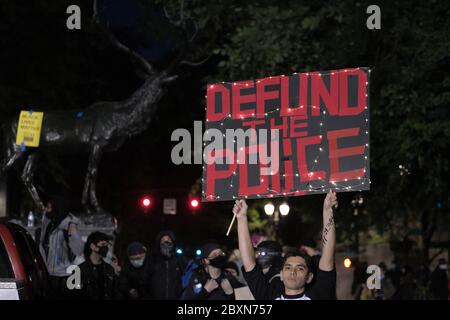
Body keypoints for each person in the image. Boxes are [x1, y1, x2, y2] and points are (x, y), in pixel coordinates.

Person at [234, 190, 337, 300]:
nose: (293, 272)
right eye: (288, 268)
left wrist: (327, 211)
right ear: (281, 275)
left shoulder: (318, 296)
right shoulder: (268, 297)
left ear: (309, 277)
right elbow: (249, 264)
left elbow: (328, 257)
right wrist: (242, 218)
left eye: (300, 268)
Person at [35, 195, 84, 298]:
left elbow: (79, 250)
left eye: (49, 207)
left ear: (57, 208)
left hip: (65, 277)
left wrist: (72, 232)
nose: (46, 210)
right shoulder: (48, 225)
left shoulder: (68, 226)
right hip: (48, 276)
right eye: (46, 207)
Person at [77, 231, 117, 300]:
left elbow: (115, 293)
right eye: (103, 244)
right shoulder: (79, 270)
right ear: (93, 246)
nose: (106, 248)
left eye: (107, 245)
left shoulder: (109, 269)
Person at [149, 230, 187, 299]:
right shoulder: (153, 259)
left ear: (173, 242)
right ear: (159, 243)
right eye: (163, 240)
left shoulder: (180, 259)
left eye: (168, 240)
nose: (166, 242)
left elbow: (187, 276)